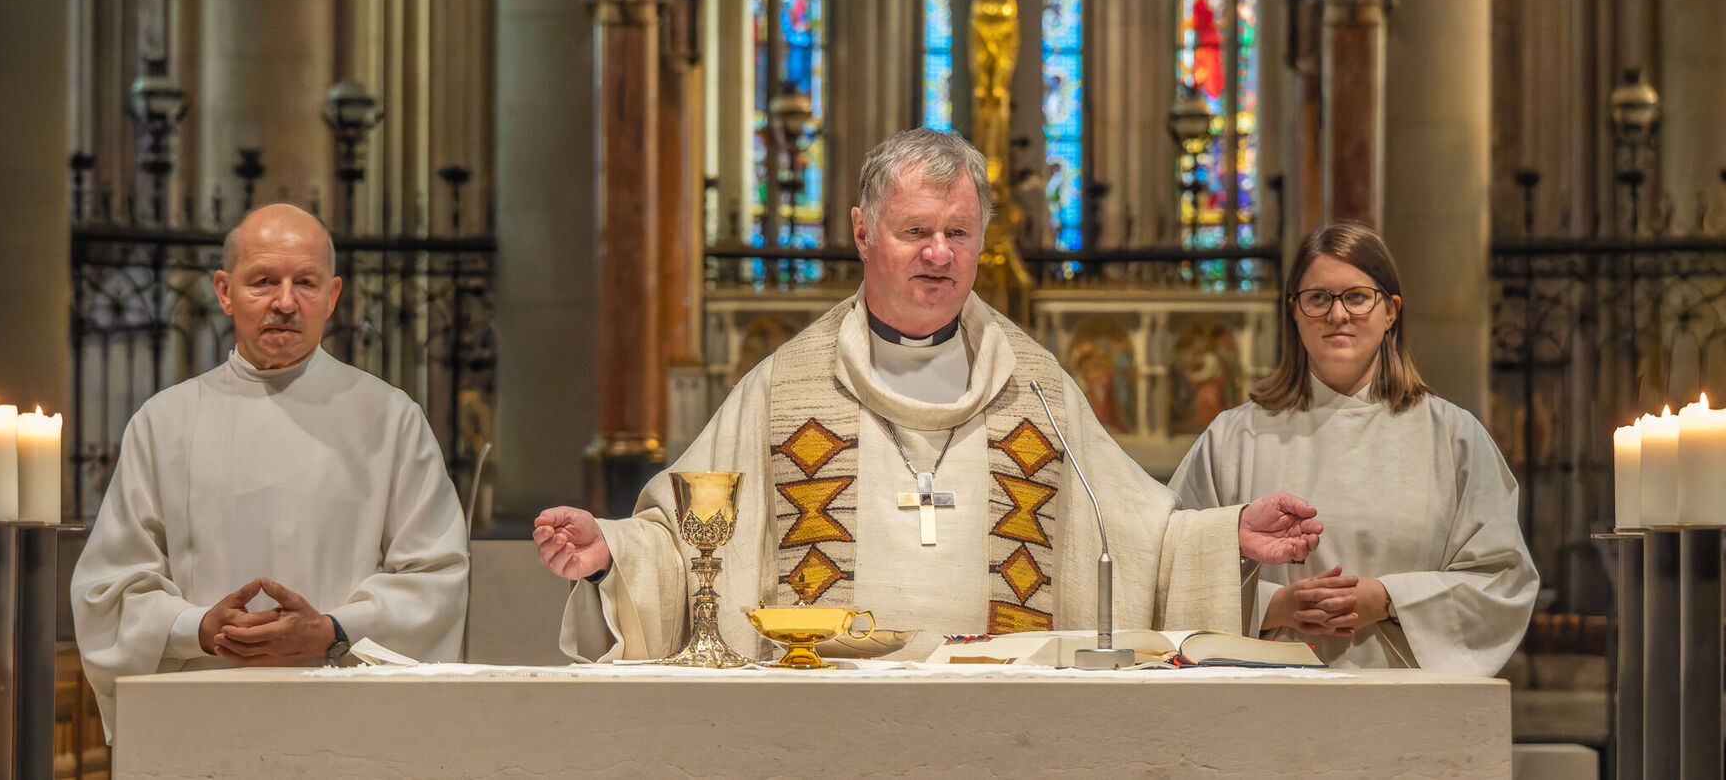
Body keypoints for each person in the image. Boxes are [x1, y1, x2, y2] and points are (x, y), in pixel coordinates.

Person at [536, 129, 1323, 662]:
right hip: (821, 721)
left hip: (1009, 723)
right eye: (916, 231)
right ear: (861, 232)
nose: (940, 254)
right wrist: (614, 554)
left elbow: (1136, 537)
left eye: (960, 232)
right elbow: (690, 543)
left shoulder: (1035, 384)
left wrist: (1227, 538)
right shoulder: (787, 383)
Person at [71, 203, 470, 737]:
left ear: (332, 296)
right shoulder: (164, 422)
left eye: (305, 282)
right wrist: (200, 628)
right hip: (202, 715)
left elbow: (436, 577)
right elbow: (109, 589)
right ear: (224, 291)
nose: (285, 302)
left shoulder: (391, 419)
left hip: (348, 716)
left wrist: (332, 630)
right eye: (262, 281)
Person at [1169, 222, 1538, 674]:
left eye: (1358, 297)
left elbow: (1502, 583)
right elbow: (1174, 570)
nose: (1337, 314)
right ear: (1295, 312)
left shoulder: (1454, 436)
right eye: (1318, 298)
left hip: (1405, 706)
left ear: (1391, 312)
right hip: (1262, 701)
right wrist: (1277, 606)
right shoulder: (1233, 438)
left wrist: (1387, 599)